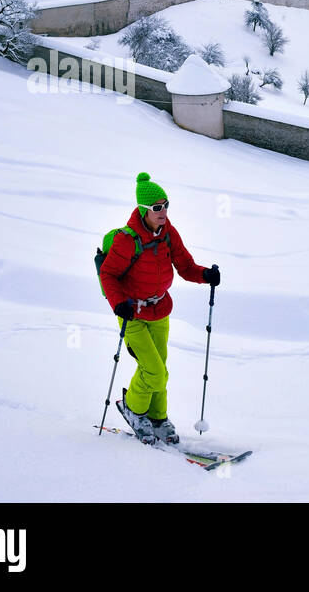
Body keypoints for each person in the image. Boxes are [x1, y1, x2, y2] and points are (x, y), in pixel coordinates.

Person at [99, 173, 220, 443]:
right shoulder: (126, 240)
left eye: (166, 205)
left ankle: (157, 417)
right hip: (133, 314)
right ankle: (133, 408)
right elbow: (108, 275)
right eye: (157, 208)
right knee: (152, 369)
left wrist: (205, 275)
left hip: (160, 310)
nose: (163, 212)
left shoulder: (168, 233)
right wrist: (118, 303)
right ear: (144, 210)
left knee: (161, 368)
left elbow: (186, 266)